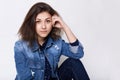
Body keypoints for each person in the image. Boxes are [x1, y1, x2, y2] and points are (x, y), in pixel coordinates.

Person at [14, 2, 90, 80]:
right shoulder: (20, 46)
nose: (43, 26)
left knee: (73, 63)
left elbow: (78, 53)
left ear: (52, 23)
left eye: (47, 21)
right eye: (38, 21)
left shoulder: (57, 43)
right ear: (32, 23)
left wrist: (65, 26)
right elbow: (24, 77)